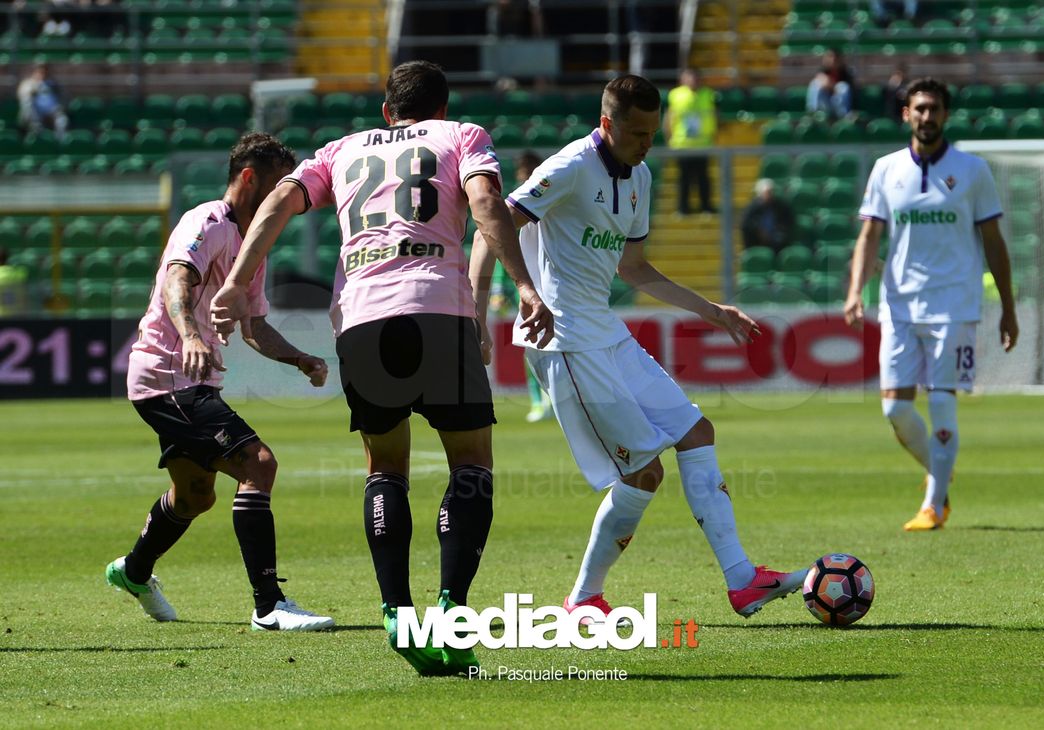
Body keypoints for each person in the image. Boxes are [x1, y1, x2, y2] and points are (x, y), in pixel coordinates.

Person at [210, 61, 553, 675]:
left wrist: (237, 282)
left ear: (387, 112)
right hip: (438, 313)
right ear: (442, 109)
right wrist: (524, 286)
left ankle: (397, 610)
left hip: (363, 321)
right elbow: (485, 204)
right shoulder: (460, 137)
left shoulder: (339, 150)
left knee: (385, 466)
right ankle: (450, 612)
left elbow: (276, 206)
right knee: (471, 462)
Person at [470, 74, 809, 623]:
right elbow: (489, 225)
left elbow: (633, 268)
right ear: (607, 124)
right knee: (643, 474)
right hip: (566, 343)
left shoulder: (642, 175)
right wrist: (481, 310)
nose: (648, 142)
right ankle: (583, 599)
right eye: (637, 133)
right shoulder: (569, 168)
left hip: (604, 331)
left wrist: (713, 311)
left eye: (654, 132)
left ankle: (743, 581)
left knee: (697, 432)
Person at [107, 132, 335, 632]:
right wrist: (189, 334)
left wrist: (298, 357)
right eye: (277, 186)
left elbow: (250, 323)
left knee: (194, 495)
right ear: (249, 178)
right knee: (259, 463)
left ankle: (135, 570)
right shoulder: (206, 220)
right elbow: (177, 279)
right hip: (169, 373)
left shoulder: (252, 242)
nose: (284, 198)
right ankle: (269, 606)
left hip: (194, 380)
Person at [844, 77, 1018, 531]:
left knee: (942, 403)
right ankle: (942, 467)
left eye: (934, 108)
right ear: (906, 113)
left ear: (946, 114)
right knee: (894, 409)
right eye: (919, 108)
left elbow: (994, 242)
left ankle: (934, 504)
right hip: (899, 303)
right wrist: (853, 291)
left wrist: (1008, 306)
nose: (927, 116)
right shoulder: (885, 169)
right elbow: (869, 236)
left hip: (954, 304)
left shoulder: (973, 170)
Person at [479, 150, 554, 422]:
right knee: (532, 345)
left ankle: (554, 399)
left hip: (551, 283)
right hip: (526, 286)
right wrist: (499, 290)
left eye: (529, 176)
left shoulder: (550, 201)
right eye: (522, 177)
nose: (525, 181)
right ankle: (539, 401)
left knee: (557, 346)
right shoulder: (514, 208)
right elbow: (502, 251)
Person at [663, 68, 717, 215]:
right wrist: (669, 138)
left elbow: (713, 116)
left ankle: (706, 206)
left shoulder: (708, 94)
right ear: (683, 80)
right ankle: (683, 208)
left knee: (703, 177)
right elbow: (669, 118)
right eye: (689, 78)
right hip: (682, 144)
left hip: (702, 144)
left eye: (695, 78)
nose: (693, 81)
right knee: (684, 178)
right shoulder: (675, 95)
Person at [740, 178, 795, 253]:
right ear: (760, 194)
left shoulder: (781, 206)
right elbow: (746, 224)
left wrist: (778, 230)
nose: (769, 195)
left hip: (777, 242)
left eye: (771, 192)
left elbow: (789, 221)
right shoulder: (752, 208)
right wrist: (758, 231)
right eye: (767, 193)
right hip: (756, 242)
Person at [17, 63, 68, 138]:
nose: (42, 74)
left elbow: (65, 98)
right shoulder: (28, 83)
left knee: (62, 120)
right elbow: (23, 97)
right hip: (35, 113)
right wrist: (34, 89)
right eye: (39, 72)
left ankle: (60, 141)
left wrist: (59, 107)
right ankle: (37, 137)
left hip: (52, 111)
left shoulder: (54, 84)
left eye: (44, 72)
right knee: (28, 106)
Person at [806, 48, 854, 119]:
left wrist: (832, 86)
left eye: (835, 57)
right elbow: (821, 82)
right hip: (825, 104)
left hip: (838, 105)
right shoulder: (822, 71)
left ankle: (844, 117)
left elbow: (850, 88)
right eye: (830, 57)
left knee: (843, 87)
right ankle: (813, 114)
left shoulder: (845, 73)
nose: (833, 60)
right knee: (815, 85)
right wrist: (832, 87)